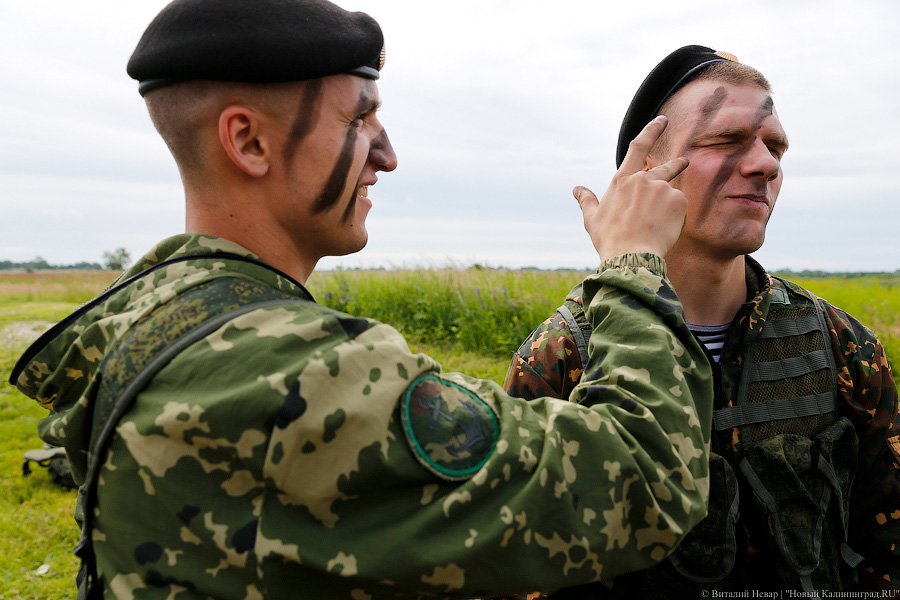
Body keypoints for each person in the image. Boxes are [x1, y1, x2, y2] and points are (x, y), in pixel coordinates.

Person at [10, 3, 716, 598]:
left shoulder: (160, 316)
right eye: (359, 119)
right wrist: (633, 261)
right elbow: (644, 479)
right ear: (248, 141)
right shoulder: (295, 373)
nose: (387, 155)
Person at [503, 45, 900, 594]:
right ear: (646, 173)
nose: (766, 164)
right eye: (726, 141)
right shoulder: (566, 352)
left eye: (774, 147)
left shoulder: (842, 345)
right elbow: (523, 568)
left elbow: (887, 551)